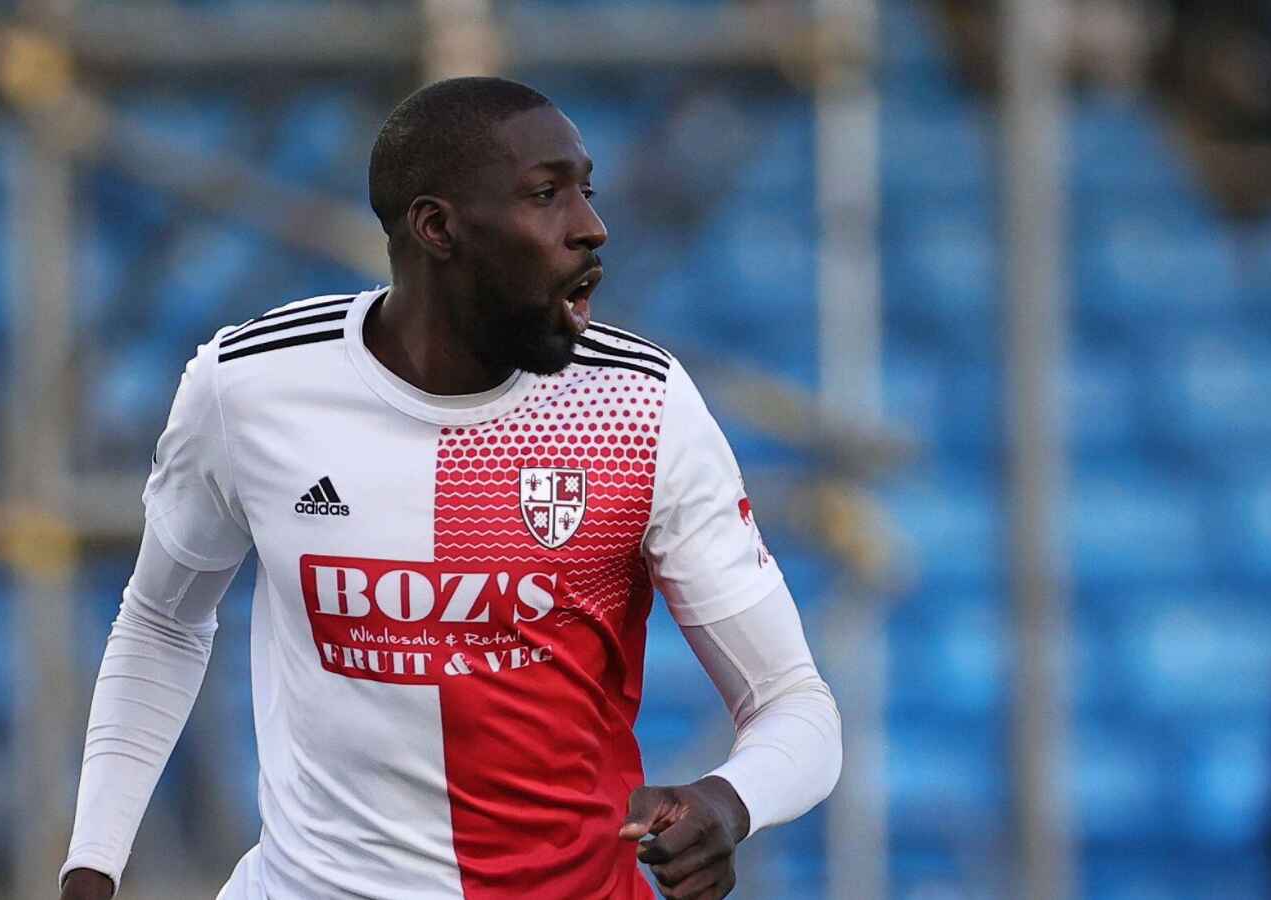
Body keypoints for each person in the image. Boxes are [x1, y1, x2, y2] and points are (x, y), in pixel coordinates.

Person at [59, 76, 841, 900]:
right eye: (547, 194)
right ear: (438, 228)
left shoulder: (639, 405)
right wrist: (93, 866)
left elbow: (795, 701)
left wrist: (728, 800)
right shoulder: (250, 386)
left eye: (588, 190)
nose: (591, 226)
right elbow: (162, 620)